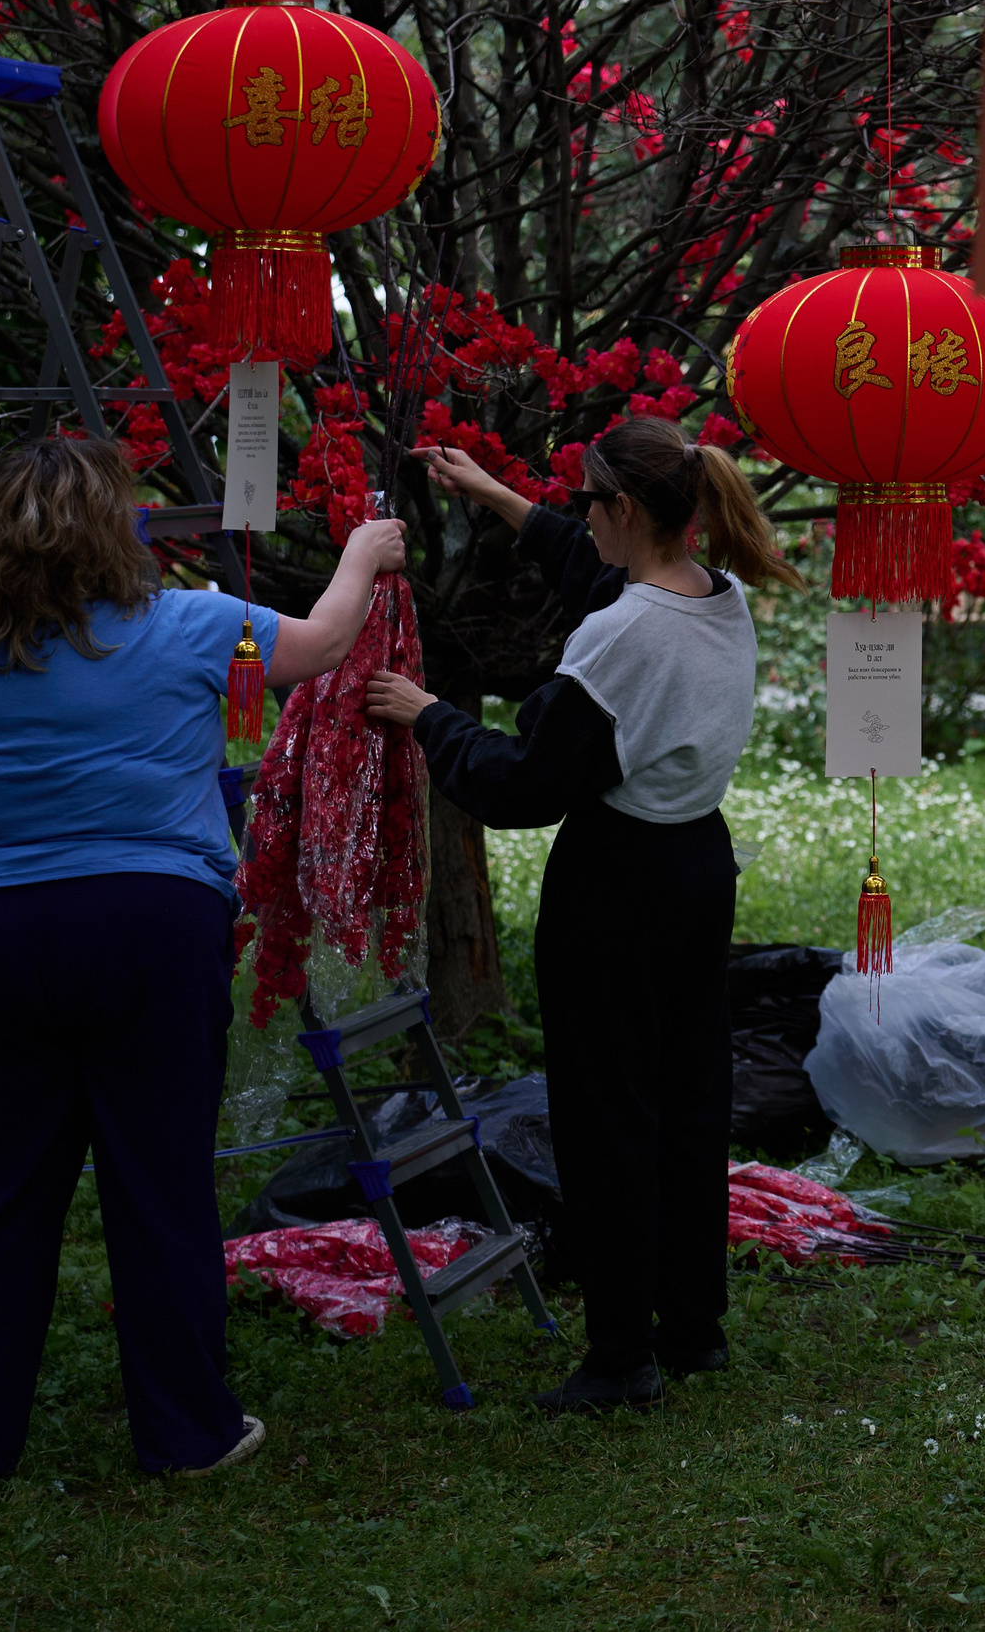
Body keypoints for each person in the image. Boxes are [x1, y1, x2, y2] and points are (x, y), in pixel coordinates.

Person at [0, 433, 407, 1478]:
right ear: (122, 527)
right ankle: (184, 1430)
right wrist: (362, 550)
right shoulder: (194, 622)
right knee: (159, 1183)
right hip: (150, 924)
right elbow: (325, 642)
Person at [364, 417, 805, 1414]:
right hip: (698, 865)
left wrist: (426, 712)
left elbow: (526, 783)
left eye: (588, 502)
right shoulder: (715, 594)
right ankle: (693, 1326)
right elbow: (593, 571)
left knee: (608, 1115)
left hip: (618, 884)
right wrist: (490, 491)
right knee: (690, 1101)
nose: (578, 519)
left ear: (628, 511)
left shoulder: (624, 633)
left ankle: (620, 1354)